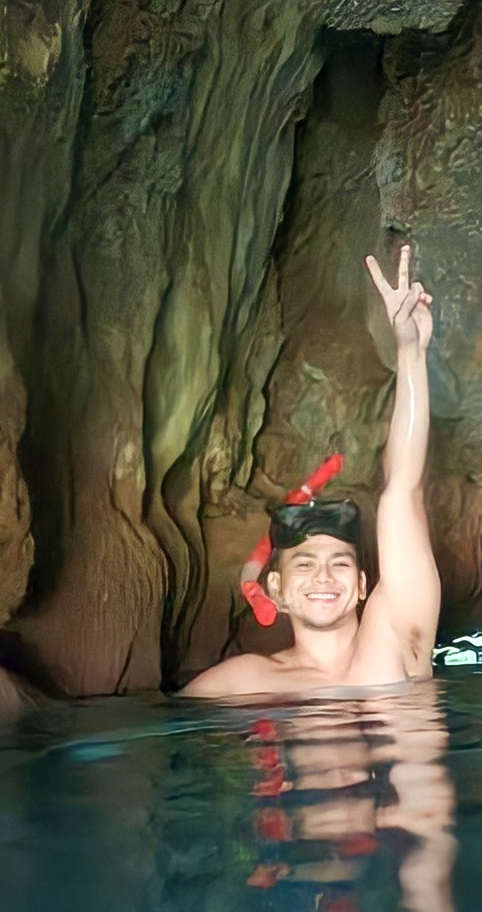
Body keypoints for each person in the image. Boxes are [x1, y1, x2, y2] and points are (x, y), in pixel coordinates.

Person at [184, 246, 440, 699]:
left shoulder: (394, 642)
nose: (324, 577)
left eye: (340, 563)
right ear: (276, 589)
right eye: (305, 564)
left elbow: (404, 488)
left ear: (362, 586)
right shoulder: (241, 684)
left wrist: (410, 355)